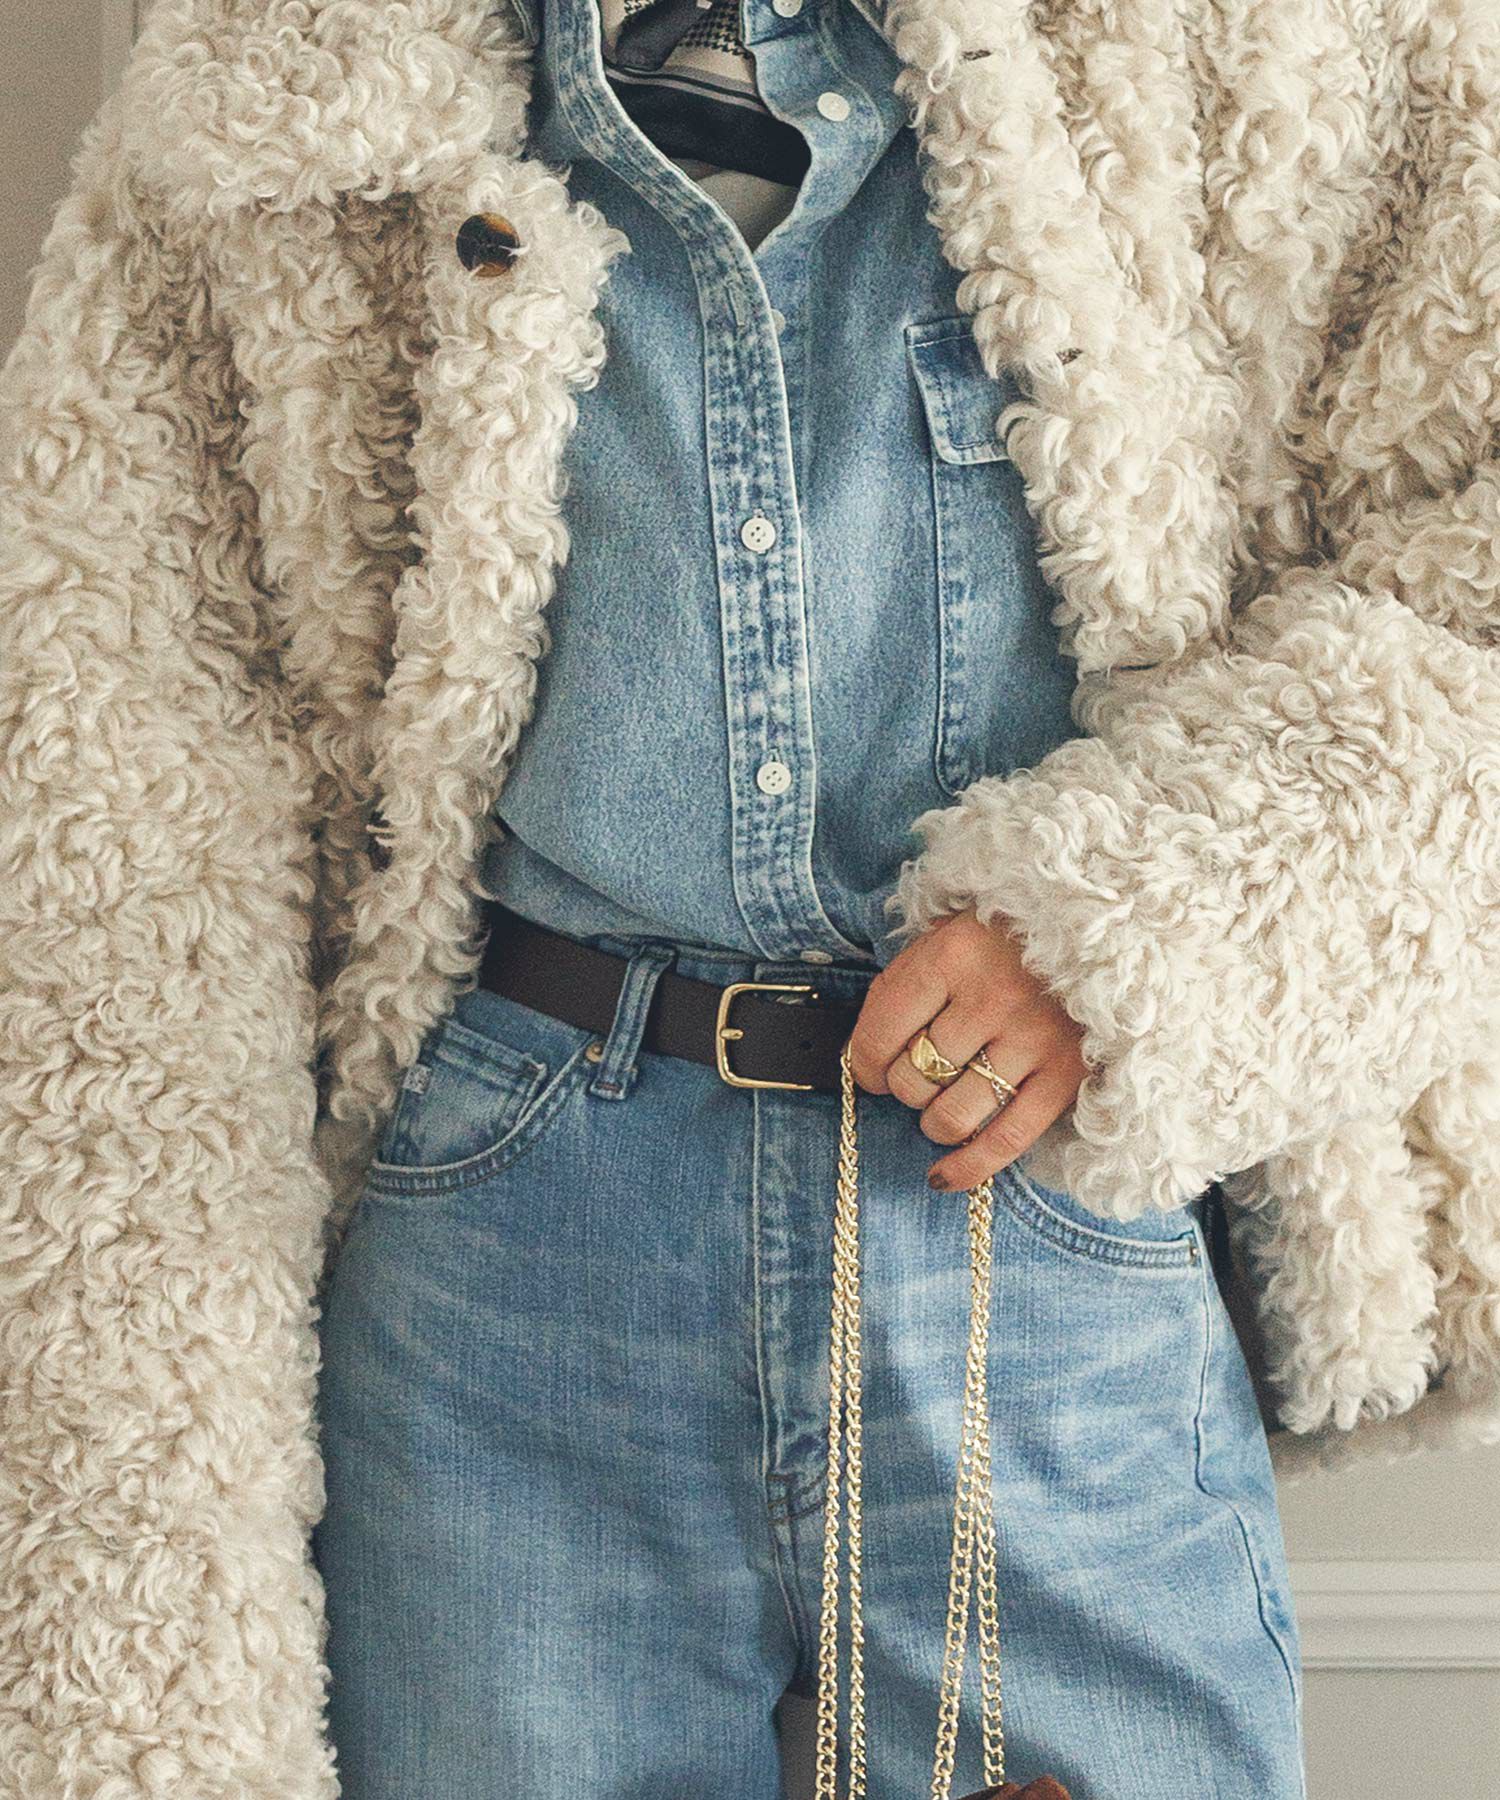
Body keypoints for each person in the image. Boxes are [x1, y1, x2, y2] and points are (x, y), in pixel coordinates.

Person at [2, 0, 1498, 1796]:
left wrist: (1147, 924)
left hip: (1038, 1218)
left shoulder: (1291, 36)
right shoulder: (282, 84)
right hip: (509, 1246)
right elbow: (111, 821)